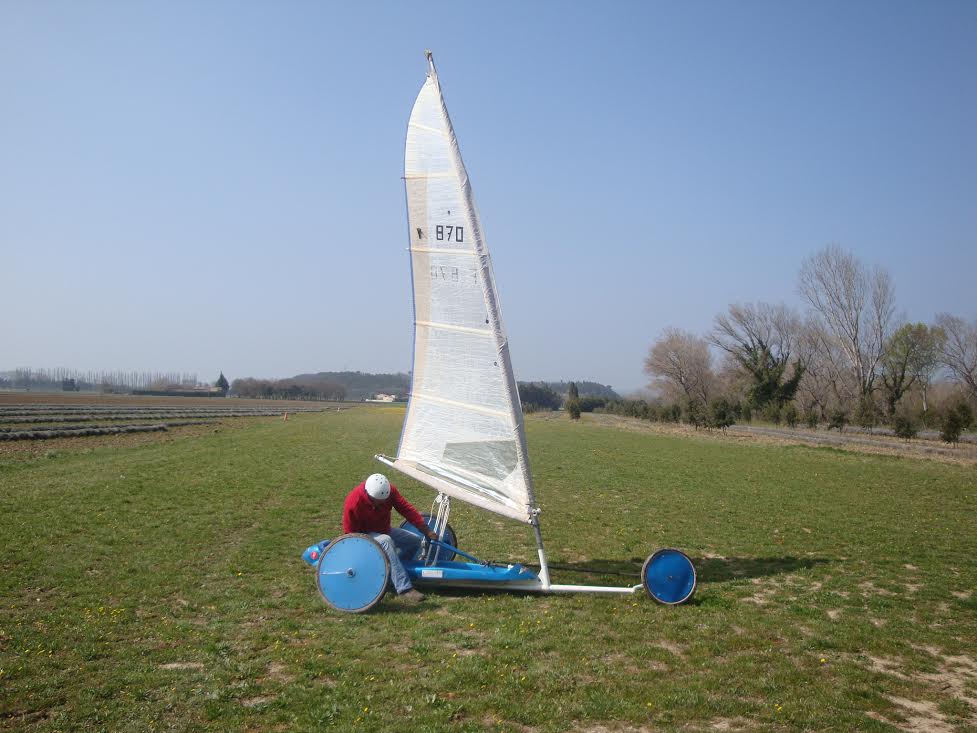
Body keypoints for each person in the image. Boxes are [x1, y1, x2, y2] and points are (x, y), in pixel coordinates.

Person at [342, 473, 437, 603]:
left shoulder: (390, 491)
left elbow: (406, 509)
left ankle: (393, 573)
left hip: (384, 529)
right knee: (385, 541)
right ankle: (404, 588)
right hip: (363, 535)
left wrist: (426, 530)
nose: (381, 503)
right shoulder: (354, 501)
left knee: (415, 541)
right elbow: (350, 534)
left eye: (383, 500)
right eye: (377, 501)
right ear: (368, 494)